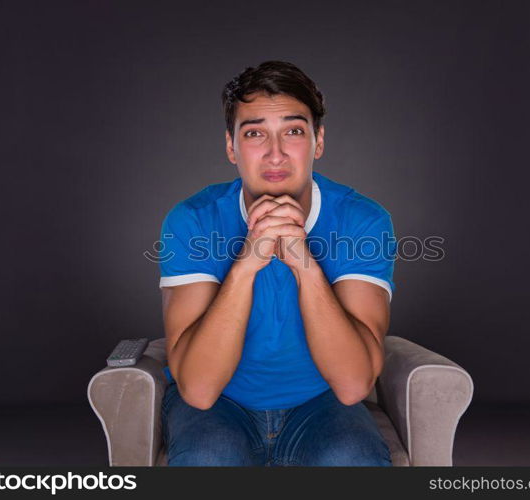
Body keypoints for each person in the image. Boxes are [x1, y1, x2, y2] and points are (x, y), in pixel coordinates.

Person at [157, 60, 397, 466]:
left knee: (352, 460)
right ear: (231, 147)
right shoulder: (192, 219)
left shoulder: (364, 220)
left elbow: (354, 384)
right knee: (207, 460)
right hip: (220, 405)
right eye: (254, 134)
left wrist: (305, 265)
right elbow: (198, 390)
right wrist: (246, 265)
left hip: (320, 403)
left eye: (293, 131)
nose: (275, 153)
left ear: (318, 141)